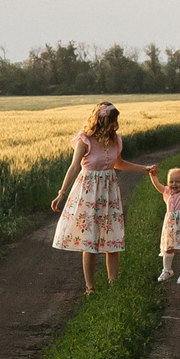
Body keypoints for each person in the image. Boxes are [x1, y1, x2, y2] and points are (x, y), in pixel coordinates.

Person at [49, 101, 152, 293]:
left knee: (113, 238)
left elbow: (119, 164)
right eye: (112, 120)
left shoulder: (116, 139)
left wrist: (144, 169)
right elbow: (74, 167)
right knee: (90, 240)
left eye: (115, 121)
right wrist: (61, 194)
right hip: (88, 192)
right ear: (102, 119)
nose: (115, 124)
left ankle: (114, 286)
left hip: (109, 192)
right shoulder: (84, 139)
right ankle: (90, 288)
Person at [148, 161, 180, 285]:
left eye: (178, 181)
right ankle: (167, 270)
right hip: (170, 225)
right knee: (168, 248)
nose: (174, 184)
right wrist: (153, 175)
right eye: (171, 181)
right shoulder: (167, 192)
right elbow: (158, 185)